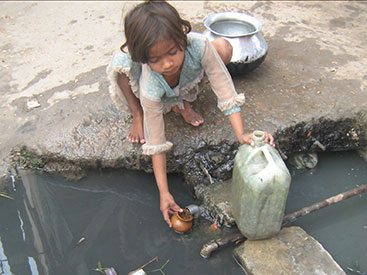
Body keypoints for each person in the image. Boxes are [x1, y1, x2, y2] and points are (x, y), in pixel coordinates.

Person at [107, 0, 274, 227]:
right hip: (152, 97)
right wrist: (164, 193)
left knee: (223, 47)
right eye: (155, 60)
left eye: (173, 52)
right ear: (143, 58)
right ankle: (139, 113)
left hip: (187, 82)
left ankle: (182, 102)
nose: (167, 64)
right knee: (119, 68)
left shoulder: (199, 46)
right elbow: (157, 142)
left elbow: (224, 88)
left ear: (182, 39)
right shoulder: (149, 86)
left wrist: (241, 134)